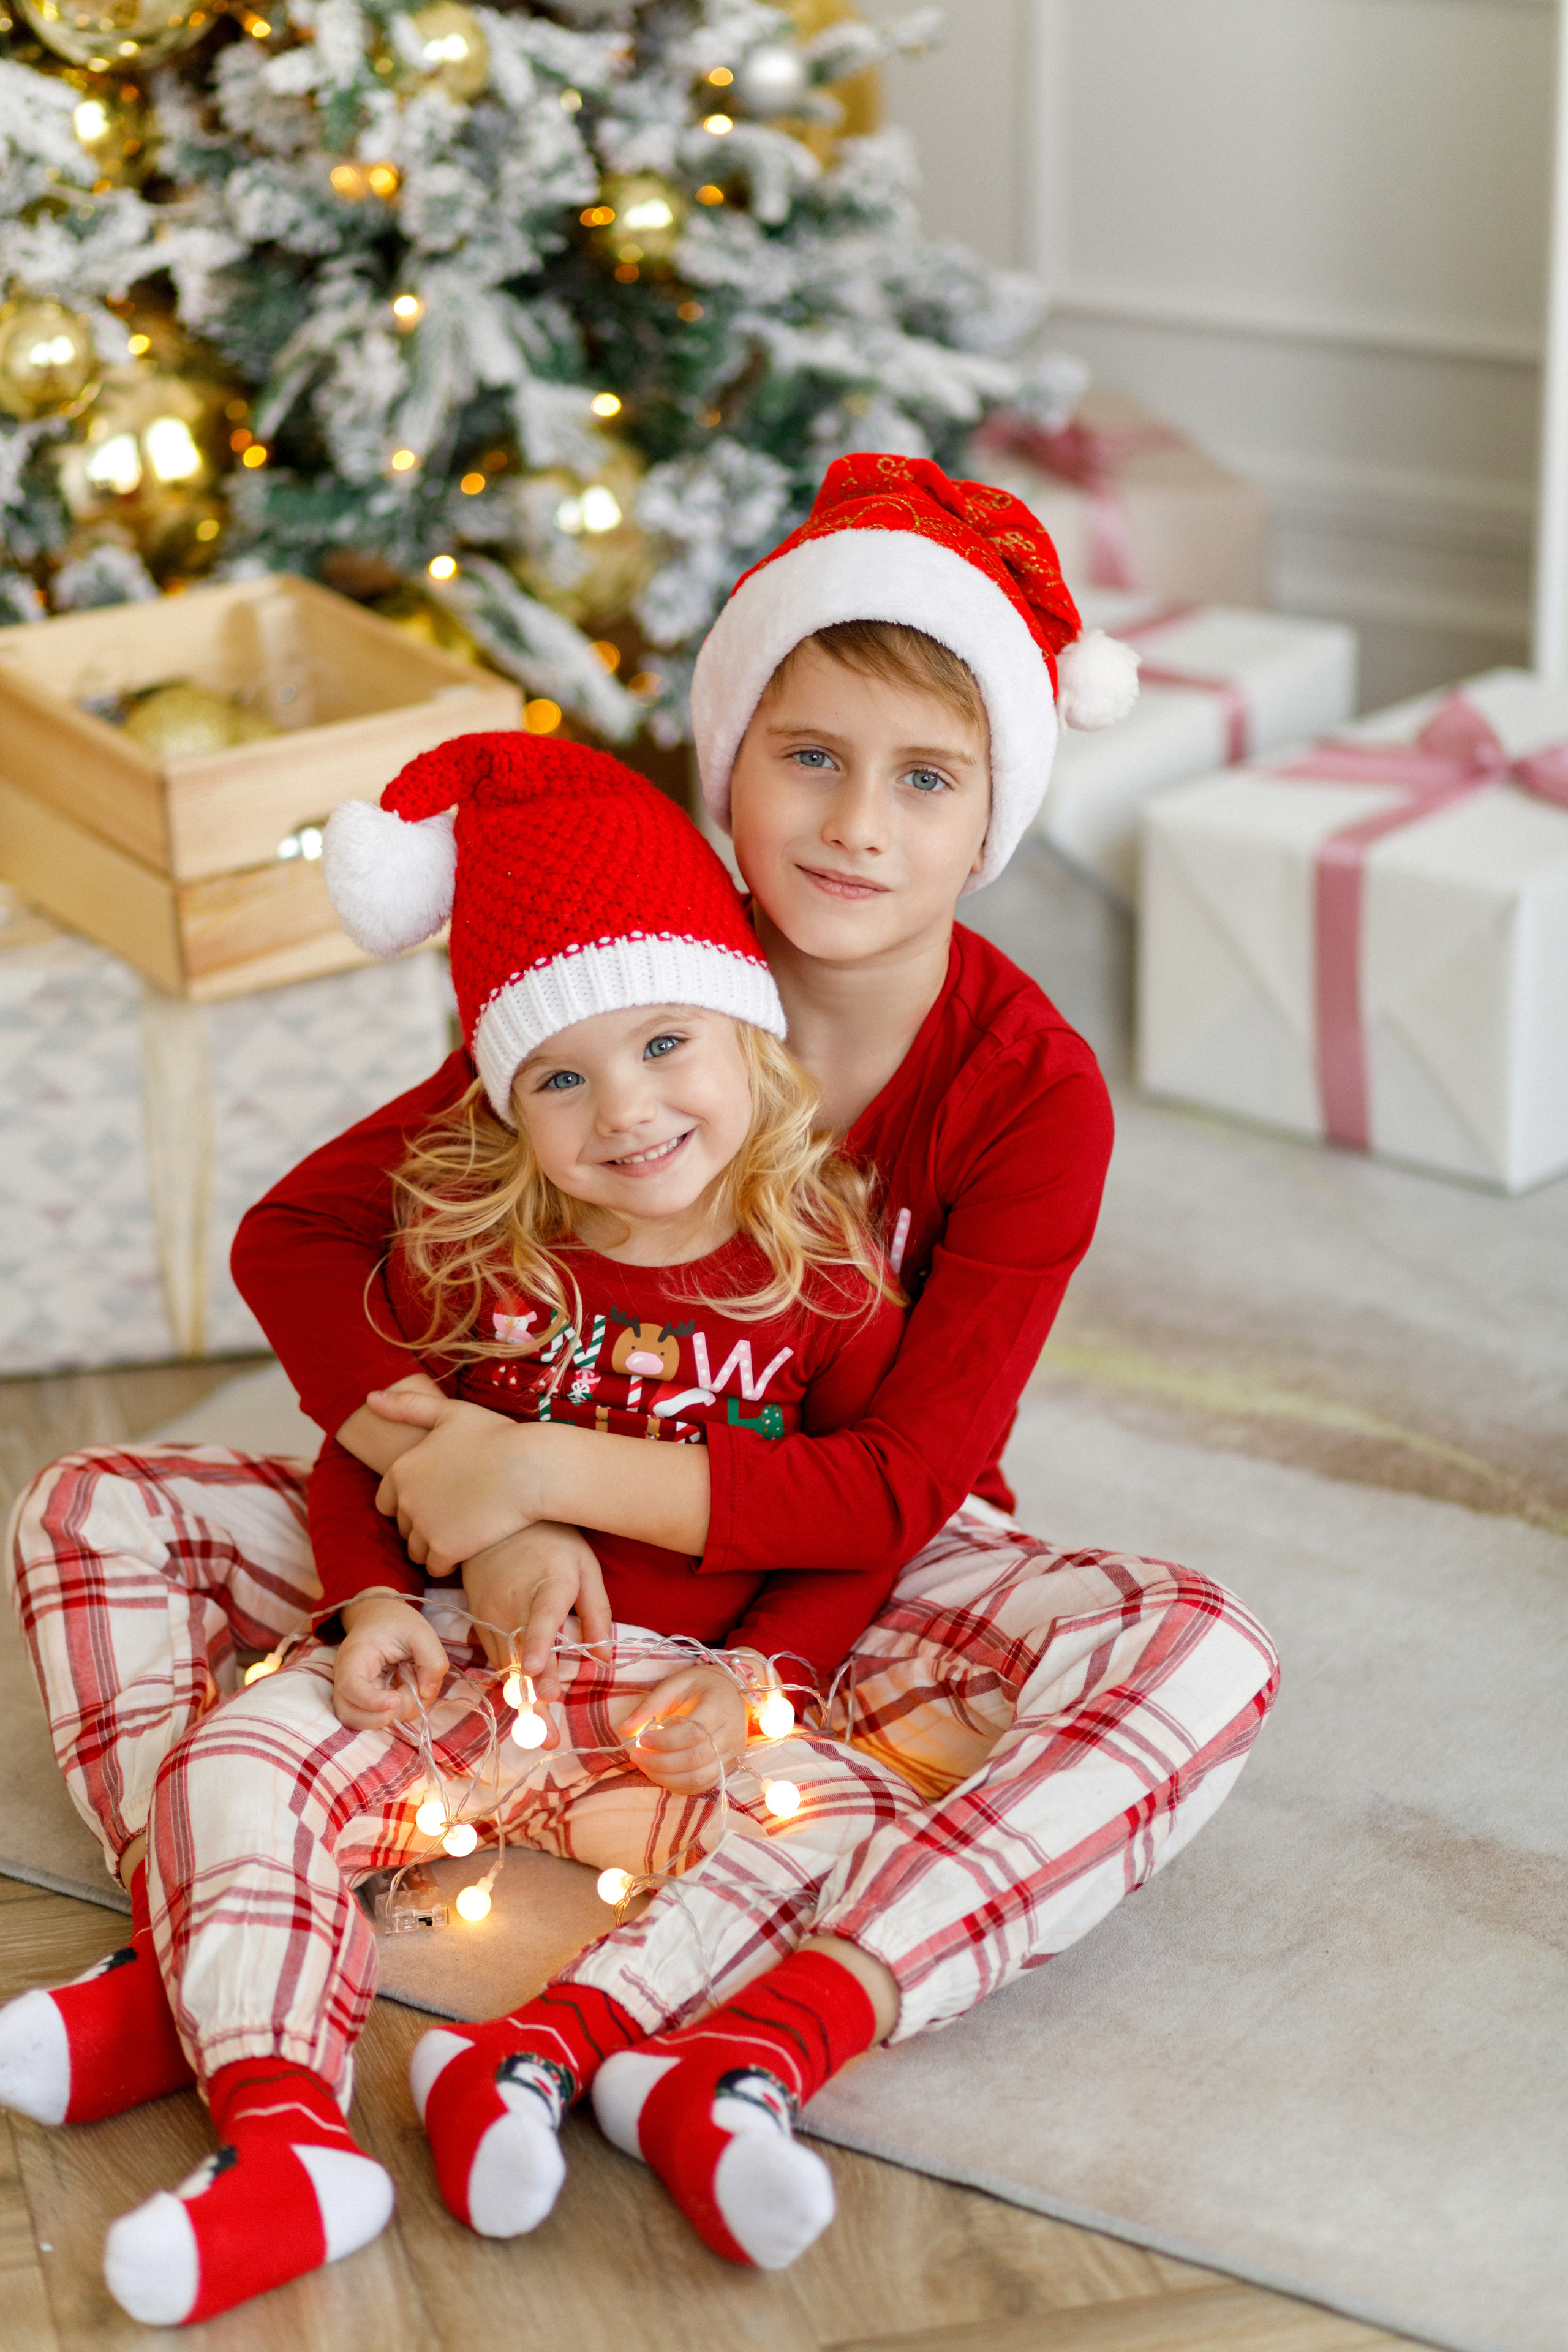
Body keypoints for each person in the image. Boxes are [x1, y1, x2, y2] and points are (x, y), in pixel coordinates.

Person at [245, 459, 1279, 2255]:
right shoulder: (629, 978)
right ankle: (250, 1951)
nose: (857, 825)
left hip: (851, 1562)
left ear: (994, 814)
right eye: (809, 755)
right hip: (534, 1554)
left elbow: (901, 1483)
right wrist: (471, 1496)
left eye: (926, 776)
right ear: (728, 759)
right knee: (99, 1507)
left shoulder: (1030, 1096)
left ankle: (750, 2039)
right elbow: (300, 1237)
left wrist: (544, 1478)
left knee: (1202, 1652)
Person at [1, 739, 934, 2326]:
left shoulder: (827, 1277)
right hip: (447, 1677)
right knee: (239, 1758)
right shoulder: (479, 1253)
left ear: (754, 1040)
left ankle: (590, 2061)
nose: (626, 1109)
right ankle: (284, 2129)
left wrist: (759, 1681)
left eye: (665, 1042)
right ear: (505, 1104)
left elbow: (857, 1523)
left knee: (858, 1838)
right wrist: (372, 1606)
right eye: (561, 1078)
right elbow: (370, 1458)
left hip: (672, 1717)